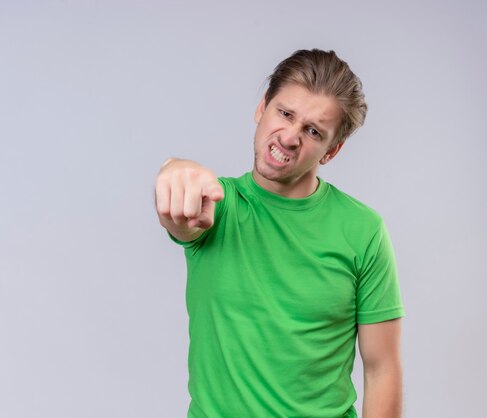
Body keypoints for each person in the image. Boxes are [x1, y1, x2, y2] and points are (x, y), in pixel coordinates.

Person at [155, 49, 405, 418]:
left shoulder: (363, 230)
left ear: (331, 151)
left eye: (313, 130)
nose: (289, 137)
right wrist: (174, 168)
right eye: (285, 114)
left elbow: (381, 368)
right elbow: (181, 210)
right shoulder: (218, 206)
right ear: (262, 108)